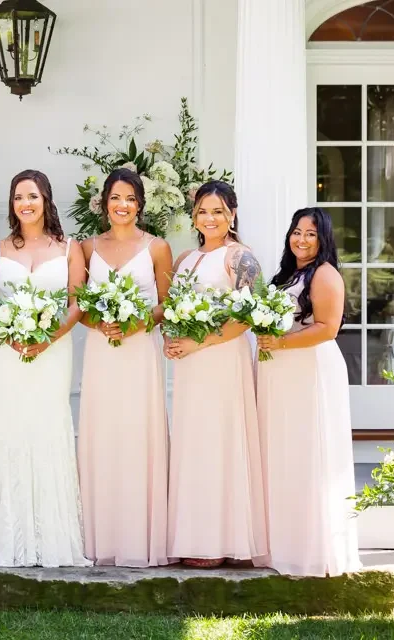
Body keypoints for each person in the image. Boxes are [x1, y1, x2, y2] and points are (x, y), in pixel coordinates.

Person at [0, 169, 90, 568]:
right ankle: (11, 538)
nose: (26, 203)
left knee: (49, 426)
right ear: (12, 204)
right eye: (19, 197)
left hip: (53, 349)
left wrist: (48, 337)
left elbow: (78, 303)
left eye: (33, 196)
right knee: (11, 426)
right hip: (8, 352)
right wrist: (11, 336)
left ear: (46, 200)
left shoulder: (69, 248)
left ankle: (54, 538)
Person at [165, 180, 268, 568]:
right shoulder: (185, 259)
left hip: (222, 359)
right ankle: (191, 536)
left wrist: (199, 343)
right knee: (193, 442)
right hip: (190, 368)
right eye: (203, 211)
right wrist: (170, 339)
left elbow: (248, 318)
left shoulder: (240, 258)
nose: (210, 218)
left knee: (219, 441)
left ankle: (220, 540)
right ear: (194, 216)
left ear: (232, 214)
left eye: (218, 211)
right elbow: (171, 308)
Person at [256, 207, 362, 577]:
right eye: (296, 232)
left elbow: (327, 327)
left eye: (310, 234)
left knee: (308, 452)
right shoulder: (290, 275)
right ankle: (282, 542)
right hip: (283, 372)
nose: (301, 239)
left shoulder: (325, 274)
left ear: (324, 239)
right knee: (285, 453)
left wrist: (280, 343)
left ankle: (311, 549)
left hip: (310, 369)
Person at [77, 168, 172, 567]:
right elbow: (76, 304)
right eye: (115, 198)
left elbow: (168, 303)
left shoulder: (157, 247)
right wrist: (99, 323)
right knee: (102, 432)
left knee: (137, 432)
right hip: (101, 350)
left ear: (140, 205)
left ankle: (141, 537)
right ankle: (100, 536)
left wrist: (138, 323)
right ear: (103, 202)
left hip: (138, 351)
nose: (122, 205)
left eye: (130, 199)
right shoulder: (85, 248)